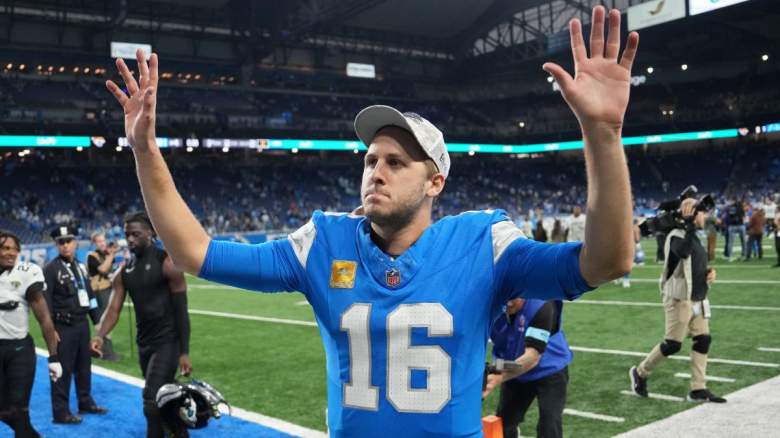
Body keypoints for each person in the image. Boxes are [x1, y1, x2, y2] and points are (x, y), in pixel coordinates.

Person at [106, 6, 637, 436]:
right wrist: (144, 149)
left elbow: (608, 260)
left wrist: (603, 133)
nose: (375, 172)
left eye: (396, 162)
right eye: (370, 160)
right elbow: (197, 252)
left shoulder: (485, 242)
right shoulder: (322, 243)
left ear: (435, 183)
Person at [91, 212, 192, 438]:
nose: (130, 240)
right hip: (144, 344)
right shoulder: (125, 270)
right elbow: (113, 309)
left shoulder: (167, 263)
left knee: (150, 400)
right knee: (164, 395)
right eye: (127, 235)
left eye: (136, 234)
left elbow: (181, 311)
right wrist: (100, 336)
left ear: (151, 233)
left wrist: (184, 351)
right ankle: (180, 431)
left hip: (168, 342)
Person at [630, 198, 726, 403]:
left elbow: (694, 263)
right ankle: (640, 372)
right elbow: (682, 252)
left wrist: (709, 272)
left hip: (698, 298)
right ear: (690, 214)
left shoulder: (693, 236)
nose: (704, 216)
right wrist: (689, 223)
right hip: (678, 298)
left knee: (704, 338)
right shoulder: (675, 235)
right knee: (673, 344)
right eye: (700, 212)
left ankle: (698, 389)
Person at [43, 226, 108, 425]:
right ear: (56, 245)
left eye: (68, 241)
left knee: (84, 367)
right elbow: (45, 304)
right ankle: (60, 413)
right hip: (63, 328)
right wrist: (51, 330)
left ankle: (85, 402)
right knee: (62, 370)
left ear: (75, 243)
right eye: (61, 242)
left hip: (82, 326)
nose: (65, 246)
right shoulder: (51, 269)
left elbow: (90, 297)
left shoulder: (81, 267)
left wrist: (98, 322)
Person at [0, 231, 62, 438]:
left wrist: (54, 357)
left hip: (19, 350)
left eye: (13, 248)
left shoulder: (26, 272)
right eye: (4, 248)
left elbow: (44, 317)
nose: (10, 253)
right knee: (5, 411)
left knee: (19, 411)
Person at [483, 299, 571, 438]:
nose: (508, 303)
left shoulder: (542, 306)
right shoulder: (489, 307)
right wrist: (490, 368)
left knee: (549, 423)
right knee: (505, 422)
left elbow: (532, 358)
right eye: (505, 297)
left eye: (513, 298)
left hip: (548, 368)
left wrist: (499, 373)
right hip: (513, 366)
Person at [86, 232, 121, 361]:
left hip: (107, 289)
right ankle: (106, 353)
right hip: (98, 291)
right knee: (102, 320)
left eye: (103, 240)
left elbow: (111, 270)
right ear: (94, 243)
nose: (102, 243)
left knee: (105, 320)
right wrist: (111, 254)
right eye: (99, 241)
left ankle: (104, 350)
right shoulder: (92, 256)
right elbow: (103, 269)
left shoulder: (104, 254)